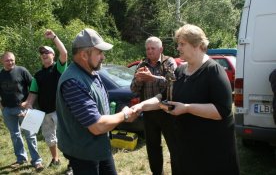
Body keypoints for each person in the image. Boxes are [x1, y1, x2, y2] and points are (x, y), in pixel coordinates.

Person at [132, 24, 240, 175]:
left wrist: (187, 107)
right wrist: (140, 107)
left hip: (211, 152)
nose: (178, 48)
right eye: (178, 44)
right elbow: (163, 97)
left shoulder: (214, 71)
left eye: (182, 44)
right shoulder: (181, 70)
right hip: (185, 150)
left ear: (197, 45)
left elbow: (222, 110)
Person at [56, 28, 138, 175]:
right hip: (83, 154)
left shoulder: (92, 72)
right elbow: (97, 126)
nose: (103, 57)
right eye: (99, 52)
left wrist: (121, 107)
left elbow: (102, 101)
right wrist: (125, 115)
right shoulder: (72, 82)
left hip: (99, 147)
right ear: (84, 54)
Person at [21, 29, 72, 173]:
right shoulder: (37, 75)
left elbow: (65, 53)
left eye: (47, 52)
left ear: (53, 55)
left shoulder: (58, 68)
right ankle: (55, 159)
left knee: (66, 137)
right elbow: (33, 93)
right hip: (44, 113)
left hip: (60, 110)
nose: (44, 55)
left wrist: (54, 37)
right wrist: (28, 104)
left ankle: (71, 164)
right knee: (50, 138)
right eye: (42, 53)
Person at [130, 36, 178, 175]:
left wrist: (153, 78)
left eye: (153, 48)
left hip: (167, 111)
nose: (149, 51)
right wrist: (139, 80)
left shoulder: (168, 61)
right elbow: (133, 89)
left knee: (174, 145)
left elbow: (173, 82)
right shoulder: (141, 65)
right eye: (147, 49)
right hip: (149, 112)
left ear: (161, 49)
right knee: (152, 147)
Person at [0, 52, 44, 172]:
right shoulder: (0, 74)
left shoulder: (22, 71)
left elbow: (34, 87)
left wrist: (28, 102)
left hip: (24, 109)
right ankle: (21, 159)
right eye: (7, 60)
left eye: (12, 60)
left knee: (30, 135)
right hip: (8, 110)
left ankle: (37, 161)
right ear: (2, 61)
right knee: (15, 135)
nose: (10, 62)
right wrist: (2, 106)